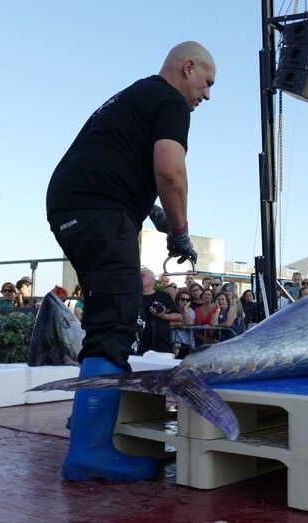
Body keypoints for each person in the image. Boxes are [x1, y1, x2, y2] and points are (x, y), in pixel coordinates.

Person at [45, 41, 213, 481]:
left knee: (109, 314)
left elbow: (117, 160)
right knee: (115, 323)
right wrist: (180, 231)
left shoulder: (136, 94)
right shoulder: (170, 100)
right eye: (207, 82)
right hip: (100, 211)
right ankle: (88, 451)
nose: (207, 94)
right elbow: (170, 171)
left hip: (74, 208)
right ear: (188, 68)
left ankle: (87, 422)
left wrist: (153, 213)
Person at [139, 267, 181, 355]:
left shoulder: (163, 296)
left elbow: (179, 316)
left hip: (161, 346)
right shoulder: (133, 298)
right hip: (138, 345)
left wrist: (162, 316)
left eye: (142, 275)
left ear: (152, 280)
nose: (138, 277)